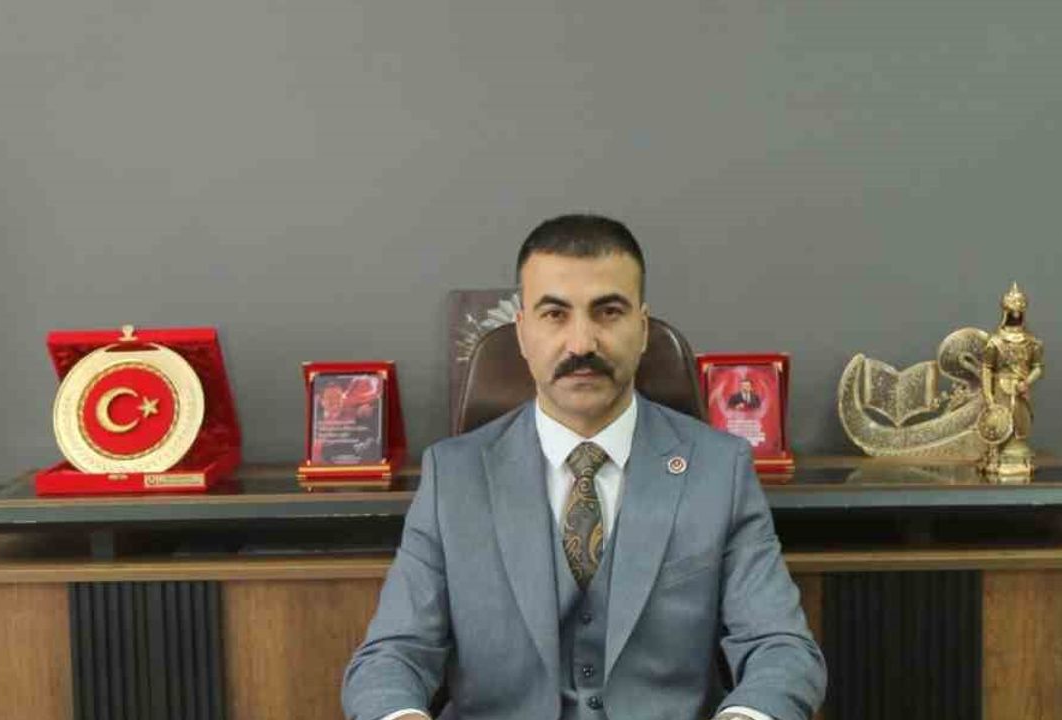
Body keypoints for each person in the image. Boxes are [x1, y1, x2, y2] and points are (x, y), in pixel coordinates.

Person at [342, 214, 825, 720]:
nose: (581, 344)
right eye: (555, 314)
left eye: (608, 312)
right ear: (522, 333)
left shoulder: (719, 470)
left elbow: (781, 648)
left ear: (642, 328)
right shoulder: (453, 477)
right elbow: (391, 656)